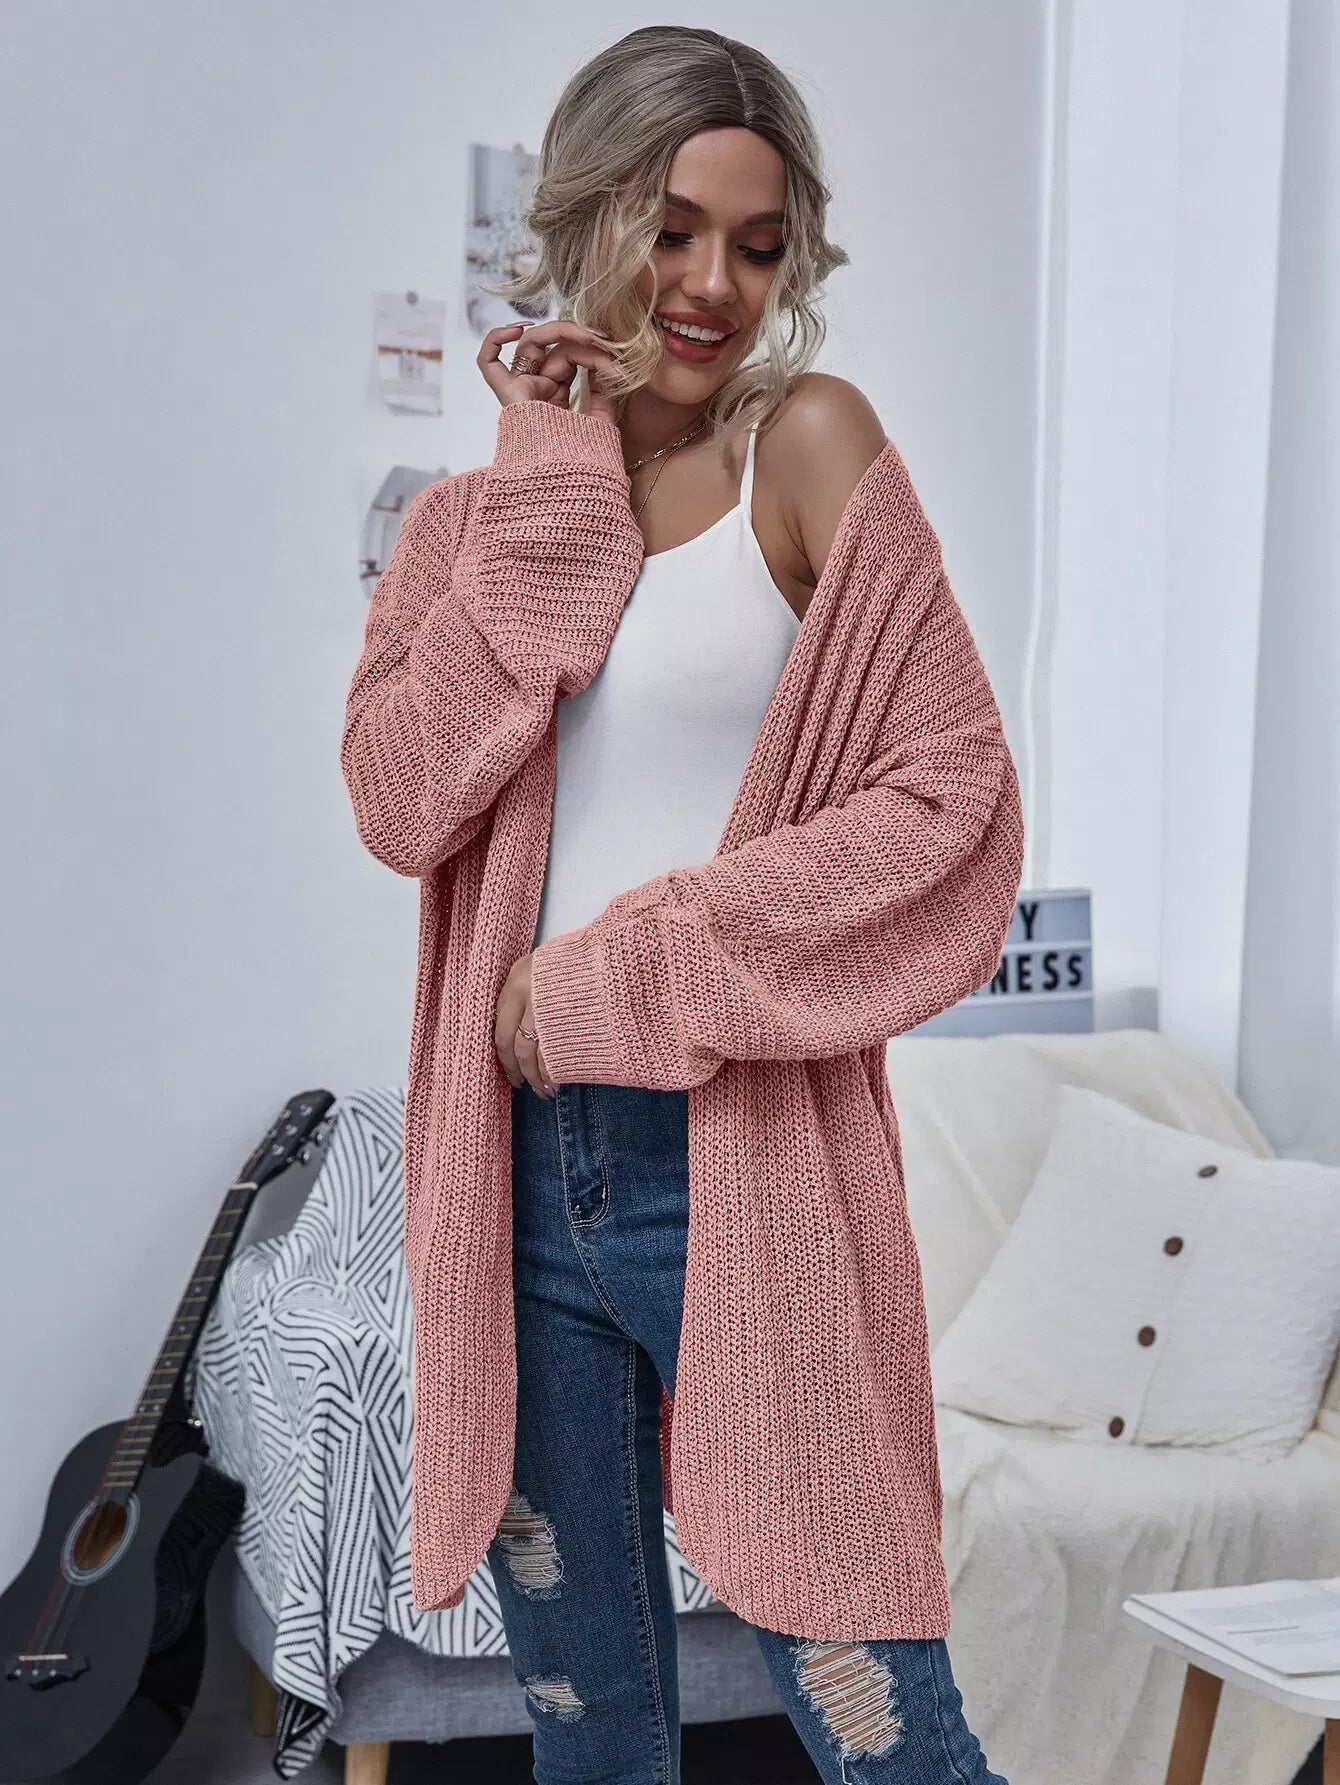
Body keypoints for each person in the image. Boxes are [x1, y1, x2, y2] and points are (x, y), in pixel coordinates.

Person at [341, 24, 1022, 1785]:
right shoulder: (472, 527)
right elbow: (402, 800)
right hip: (512, 1184)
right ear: (586, 218)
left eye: (759, 242)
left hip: (744, 1160)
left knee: (887, 1731)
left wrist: (614, 978)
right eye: (671, 229)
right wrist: (551, 500)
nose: (716, 283)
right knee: (591, 1738)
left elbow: (949, 805)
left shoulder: (809, 446)